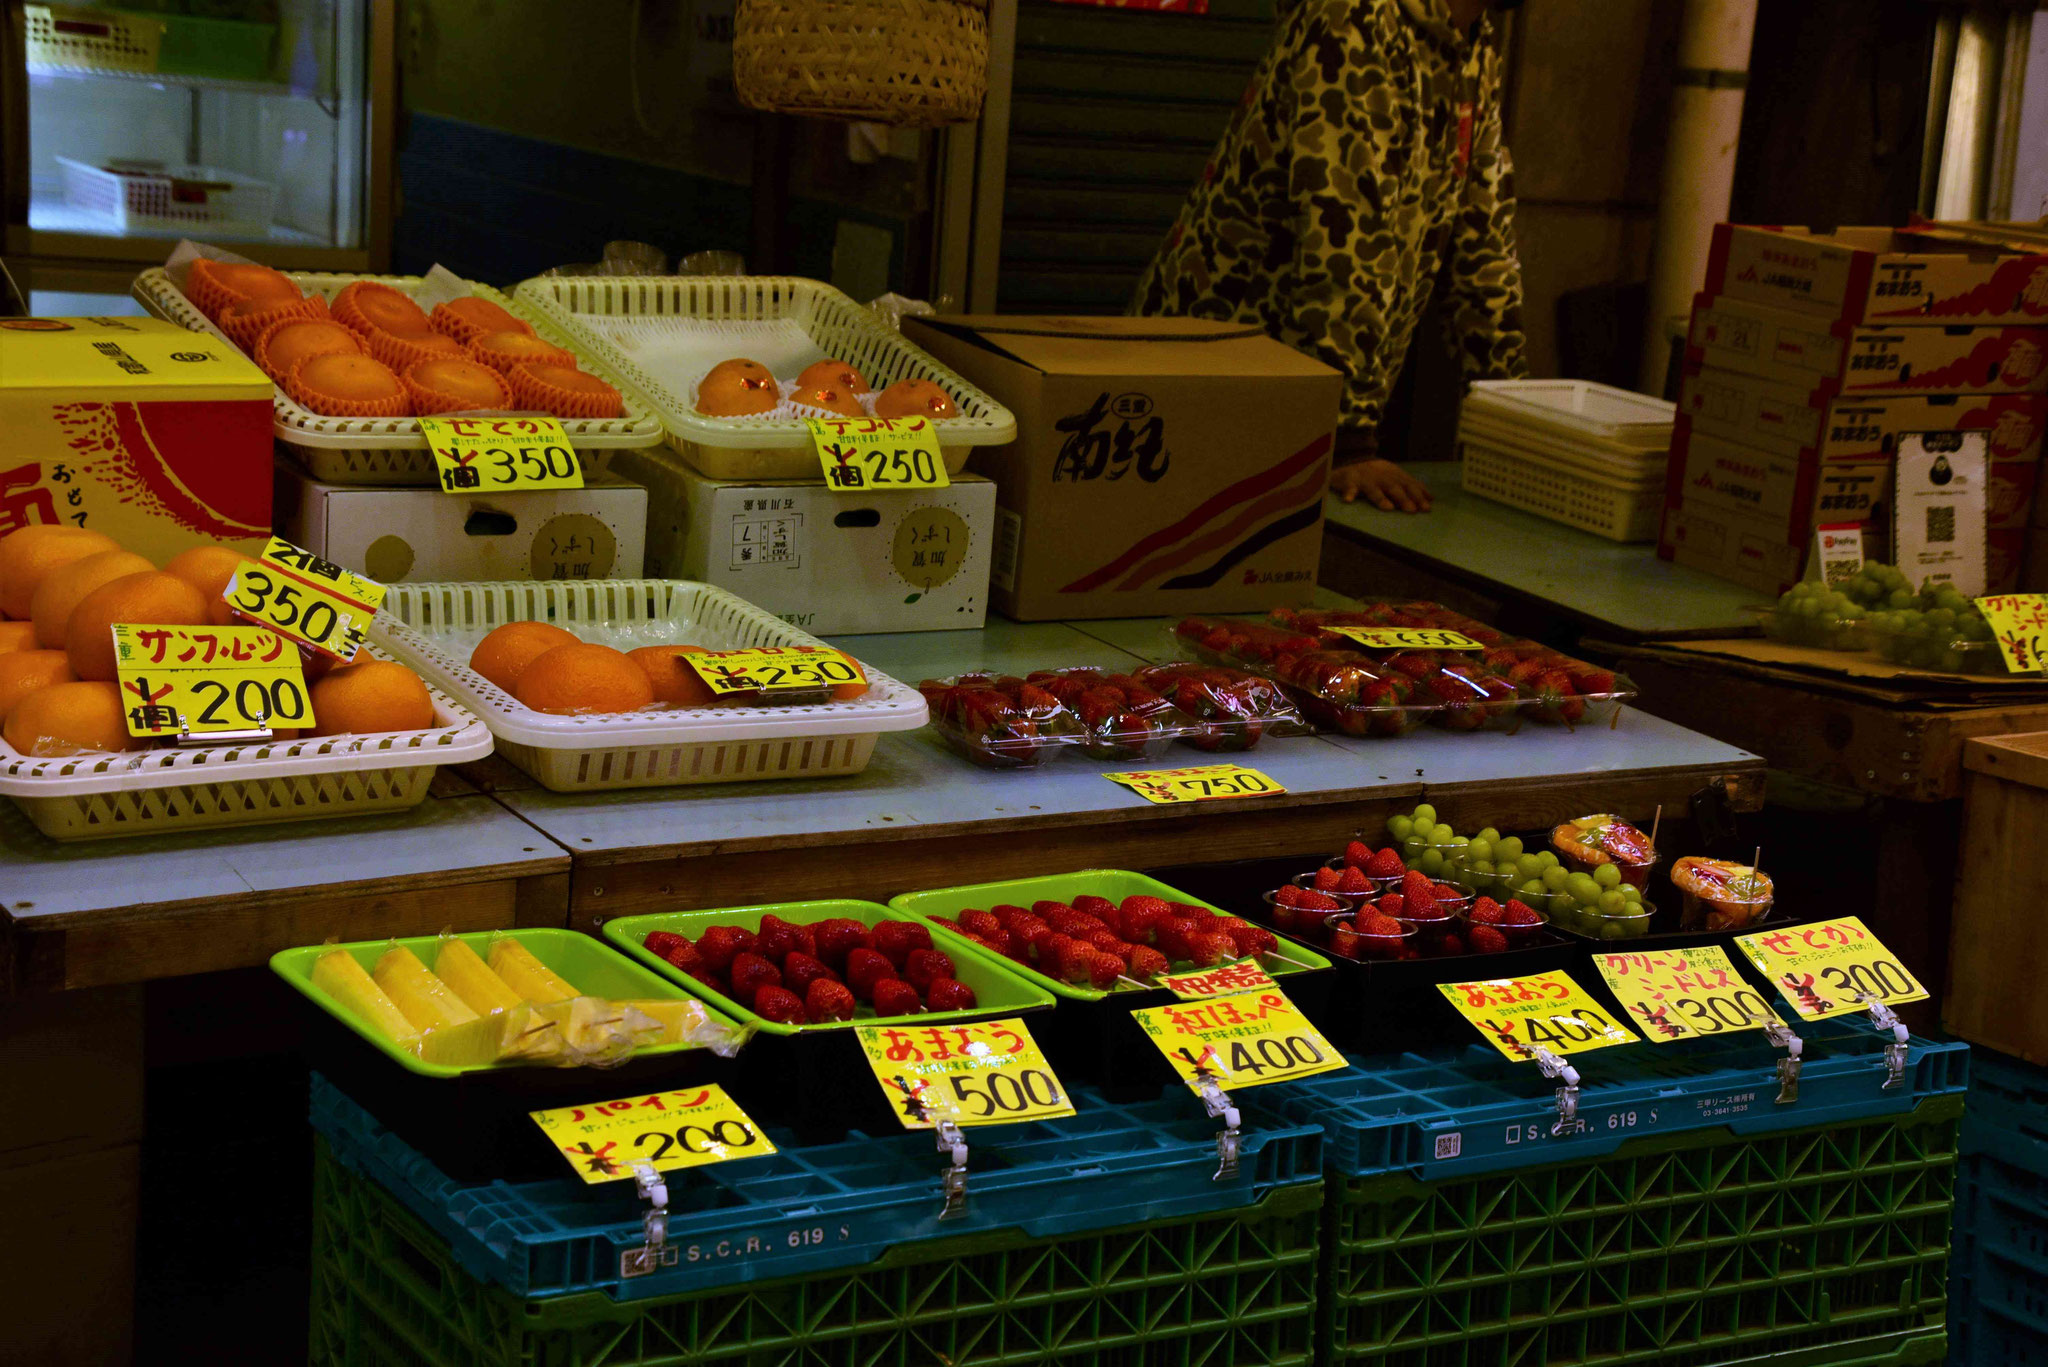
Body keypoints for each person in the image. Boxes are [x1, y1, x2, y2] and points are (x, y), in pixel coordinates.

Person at [1129, 0, 1529, 513]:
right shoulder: (1356, 17)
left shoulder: (1471, 42)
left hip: (1288, 408)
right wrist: (1346, 432)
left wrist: (1517, 417)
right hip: (1201, 391)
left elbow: (1485, 239)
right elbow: (1341, 235)